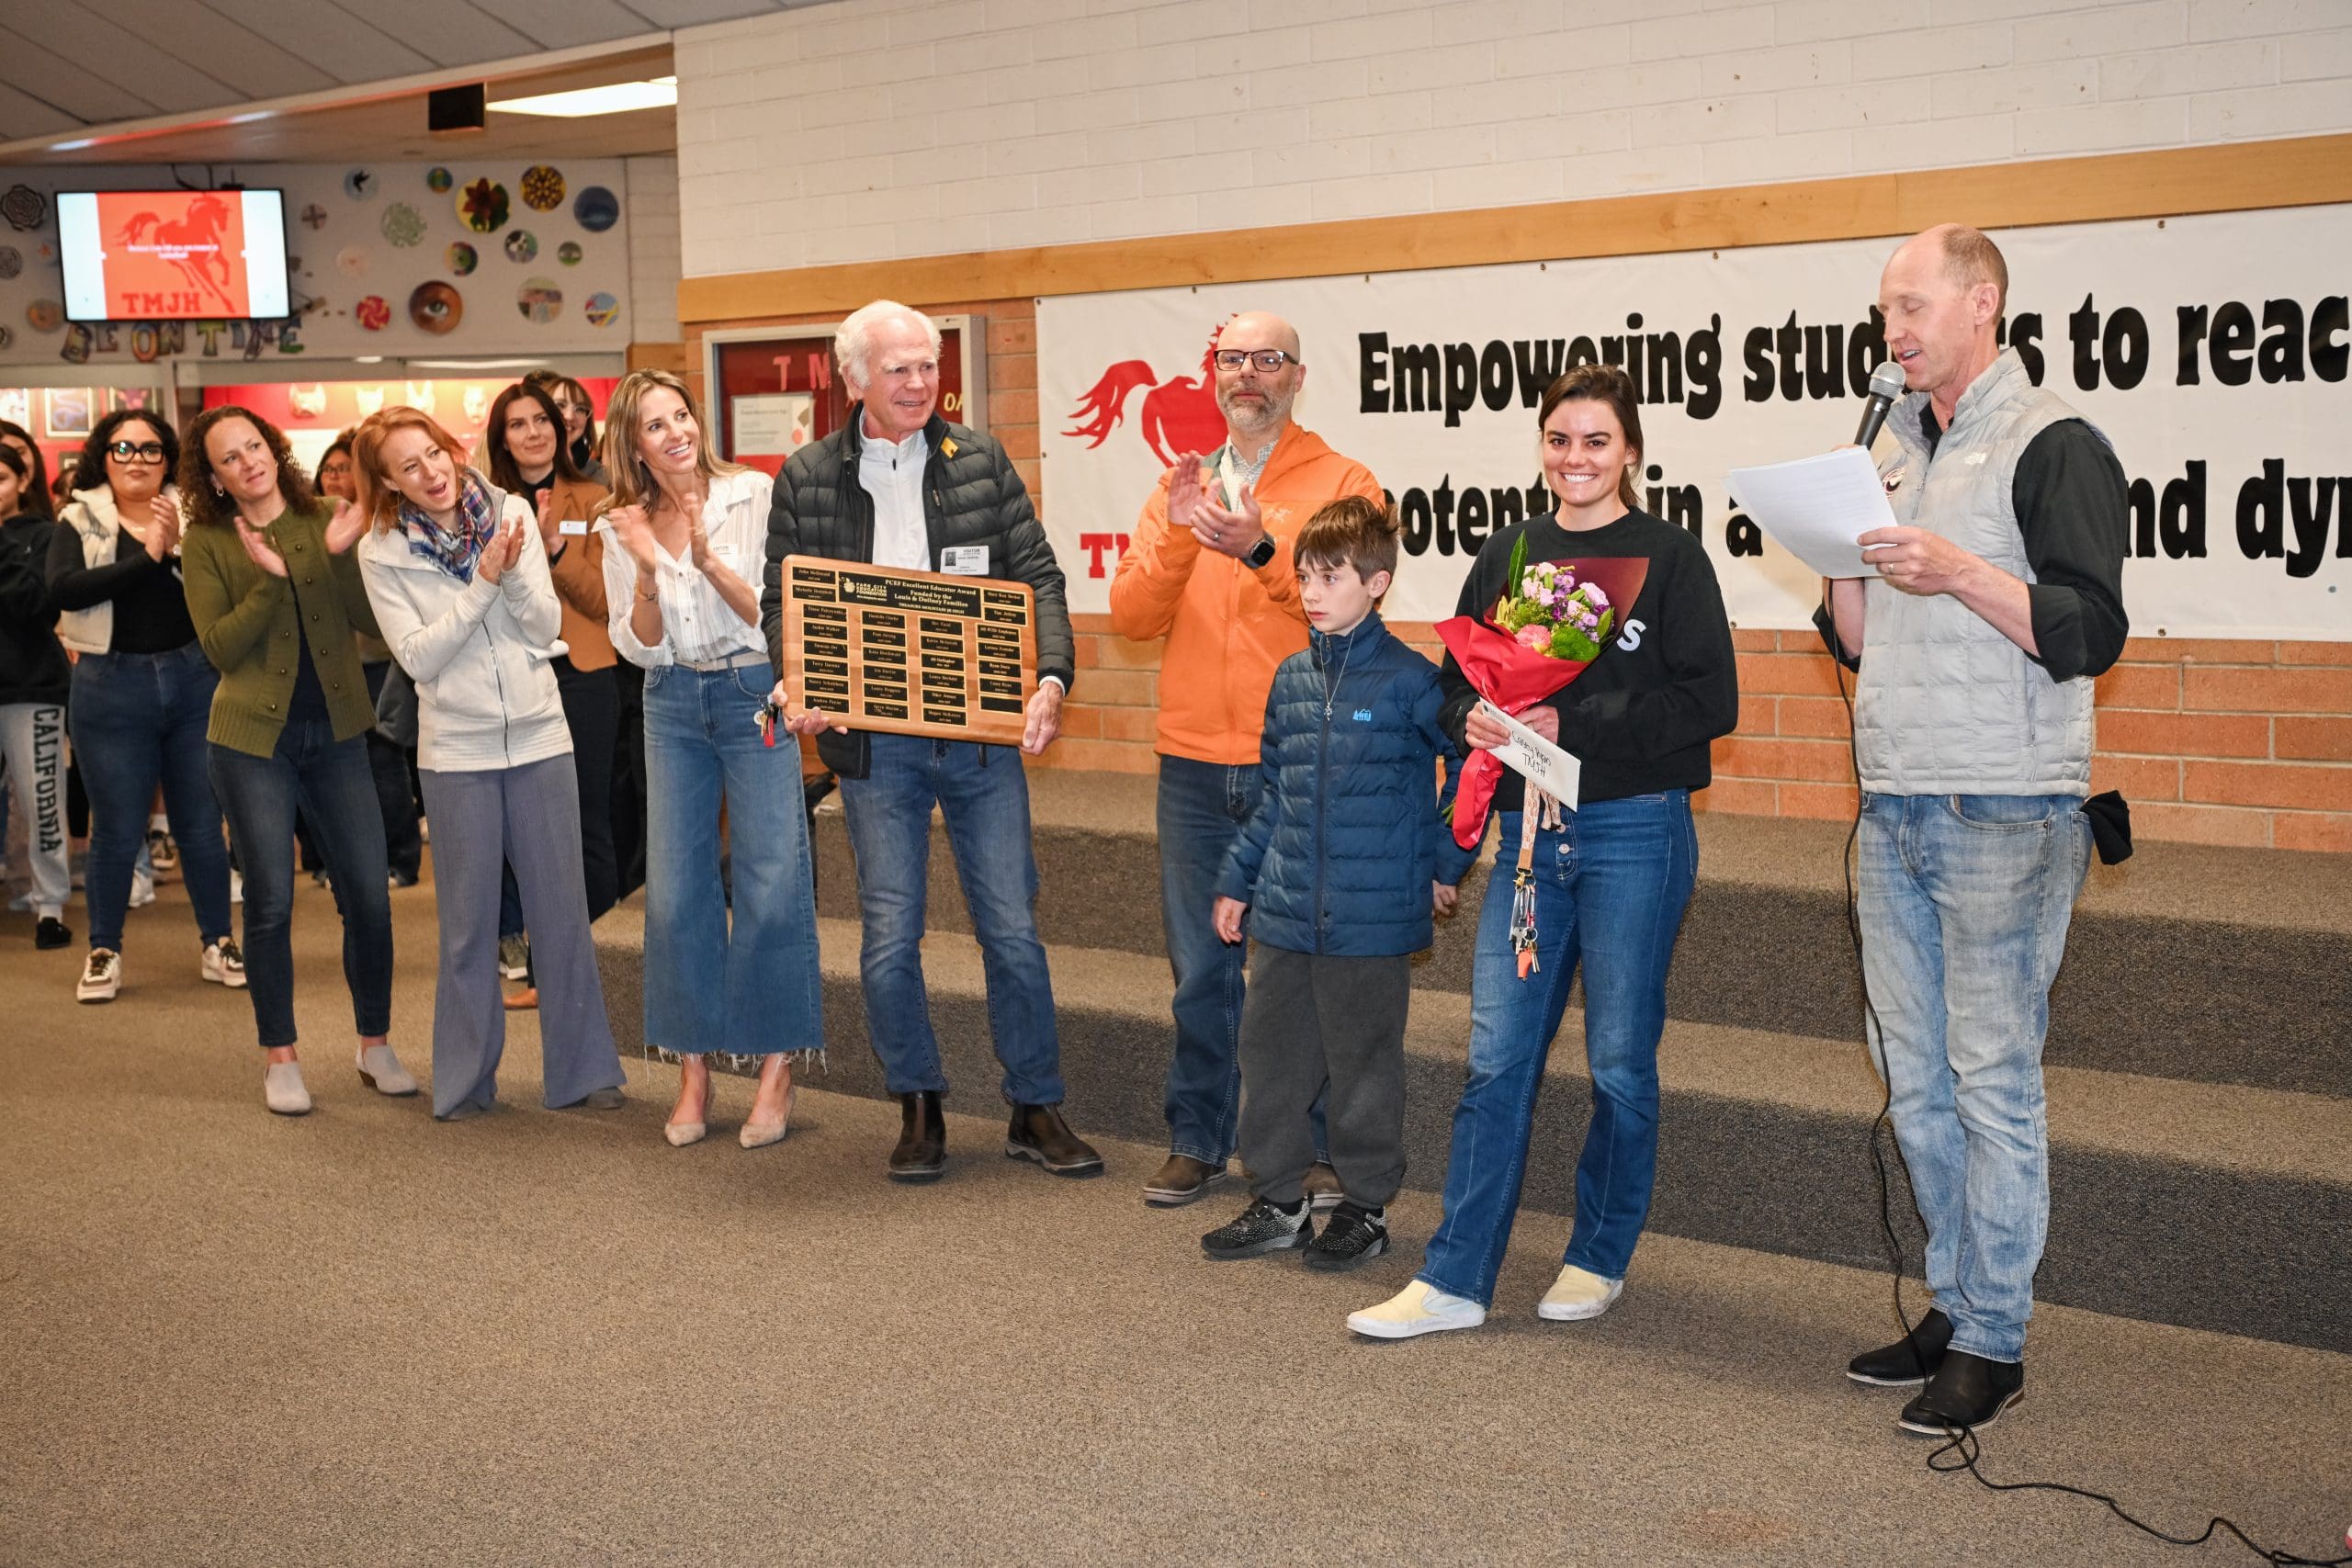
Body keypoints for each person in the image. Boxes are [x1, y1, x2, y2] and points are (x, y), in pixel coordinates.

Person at [1348, 365, 1737, 1341]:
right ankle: (1455, 1277)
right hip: (1529, 836)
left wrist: (1578, 721)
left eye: (1596, 441)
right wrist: (1472, 721)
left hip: (1634, 830)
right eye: (1559, 440)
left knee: (1619, 1063)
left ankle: (1599, 1253)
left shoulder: (1671, 556)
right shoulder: (1509, 552)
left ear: (1631, 451)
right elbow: (1453, 687)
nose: (1576, 458)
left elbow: (1710, 703)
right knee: (1495, 1059)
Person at [1821, 226, 2128, 1436]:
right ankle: (1956, 1301)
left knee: (1990, 1078)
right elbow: (1856, 641)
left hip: (2003, 804)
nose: (1892, 329)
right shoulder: (1887, 440)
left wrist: (1955, 570)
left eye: (1911, 304)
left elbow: (2089, 630)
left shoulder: (2053, 439)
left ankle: (1995, 1338)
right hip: (1891, 798)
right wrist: (1834, 557)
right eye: (1884, 310)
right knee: (1913, 1077)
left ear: (1980, 301)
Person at [761, 299, 1101, 1183]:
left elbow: (1040, 576)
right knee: (888, 934)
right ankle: (917, 1101)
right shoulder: (805, 475)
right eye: (899, 369)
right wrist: (798, 682)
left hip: (982, 739)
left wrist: (1051, 678)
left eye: (929, 366)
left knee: (1012, 929)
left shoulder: (981, 459)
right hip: (875, 747)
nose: (920, 383)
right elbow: (783, 602)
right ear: (853, 378)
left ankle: (1035, 1103)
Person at [1110, 310, 1386, 1210]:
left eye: (1269, 360)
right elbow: (1131, 616)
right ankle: (1197, 1137)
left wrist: (1259, 548)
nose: (1249, 375)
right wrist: (1181, 531)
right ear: (1214, 376)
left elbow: (1348, 606)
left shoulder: (1345, 482)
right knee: (1200, 969)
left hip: (1302, 762)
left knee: (1303, 970)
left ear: (1297, 377)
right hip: (1192, 762)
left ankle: (1314, 1150)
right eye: (1234, 359)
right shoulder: (1180, 485)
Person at [1196, 496, 1467, 1269]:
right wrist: (1239, 880)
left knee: (1363, 1069)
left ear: (1377, 583)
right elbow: (1273, 795)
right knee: (1271, 1059)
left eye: (1331, 577)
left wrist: (1442, 860)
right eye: (1305, 577)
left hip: (1370, 919)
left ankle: (1365, 1206)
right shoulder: (1289, 679)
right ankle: (1280, 1201)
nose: (1312, 593)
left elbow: (1474, 765)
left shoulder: (1413, 681)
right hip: (1286, 914)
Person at [351, 406, 626, 1122]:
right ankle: (467, 1079)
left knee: (561, 914)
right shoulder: (381, 550)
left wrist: (511, 577)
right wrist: (482, 582)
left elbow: (543, 625)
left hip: (540, 736)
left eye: (434, 453)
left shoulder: (510, 512)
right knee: (469, 927)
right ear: (388, 482)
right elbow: (419, 657)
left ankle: (583, 1071)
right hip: (456, 752)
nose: (431, 472)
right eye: (408, 466)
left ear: (451, 448)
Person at [598, 369, 820, 1148]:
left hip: (752, 689)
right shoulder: (622, 523)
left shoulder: (752, 494)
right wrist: (649, 568)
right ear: (634, 444)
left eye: (682, 415)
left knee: (771, 876)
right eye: (655, 424)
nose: (676, 433)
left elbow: (773, 618)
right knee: (677, 889)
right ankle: (694, 1070)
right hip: (670, 699)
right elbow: (637, 645)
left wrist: (705, 559)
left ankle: (776, 1066)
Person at [180, 407, 413, 1116]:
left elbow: (372, 621)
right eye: (229, 457)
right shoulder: (208, 541)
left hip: (338, 733)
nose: (247, 462)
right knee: (272, 899)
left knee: (368, 895)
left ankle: (374, 1043)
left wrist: (336, 555)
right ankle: (280, 1055)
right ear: (214, 478)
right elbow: (220, 647)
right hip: (251, 741)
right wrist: (273, 579)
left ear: (274, 449)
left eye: (254, 446)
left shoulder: (328, 517)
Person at [46, 410, 241, 1004]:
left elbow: (226, 590)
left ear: (168, 459)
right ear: (103, 457)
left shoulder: (196, 516)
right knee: (116, 828)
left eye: (151, 449)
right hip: (110, 685)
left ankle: (219, 942)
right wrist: (148, 556)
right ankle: (104, 950)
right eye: (123, 448)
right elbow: (63, 590)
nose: (137, 459)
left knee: (201, 824)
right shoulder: (78, 518)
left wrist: (177, 551)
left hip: (193, 681)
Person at [483, 380, 623, 1007]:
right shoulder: (483, 505)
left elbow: (607, 600)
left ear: (562, 428)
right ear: (502, 437)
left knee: (587, 826)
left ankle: (604, 971)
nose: (534, 432)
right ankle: (545, 975)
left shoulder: (595, 499)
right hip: (512, 679)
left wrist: (556, 547)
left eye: (541, 419)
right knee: (530, 832)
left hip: (586, 675)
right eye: (517, 424)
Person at [318, 435, 424, 887]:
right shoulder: (316, 525)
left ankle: (402, 859)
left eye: (345, 468)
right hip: (335, 665)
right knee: (338, 769)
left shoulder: (389, 519)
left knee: (384, 762)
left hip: (383, 661)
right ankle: (347, 862)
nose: (336, 477)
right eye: (329, 469)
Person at [0, 440, 71, 948]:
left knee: (43, 799)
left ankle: (50, 906)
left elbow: (33, 603)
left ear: (22, 482)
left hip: (33, 686)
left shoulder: (45, 535)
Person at [526, 371, 606, 485]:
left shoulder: (602, 479)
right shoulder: (515, 474)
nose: (570, 416)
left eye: (580, 409)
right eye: (560, 405)